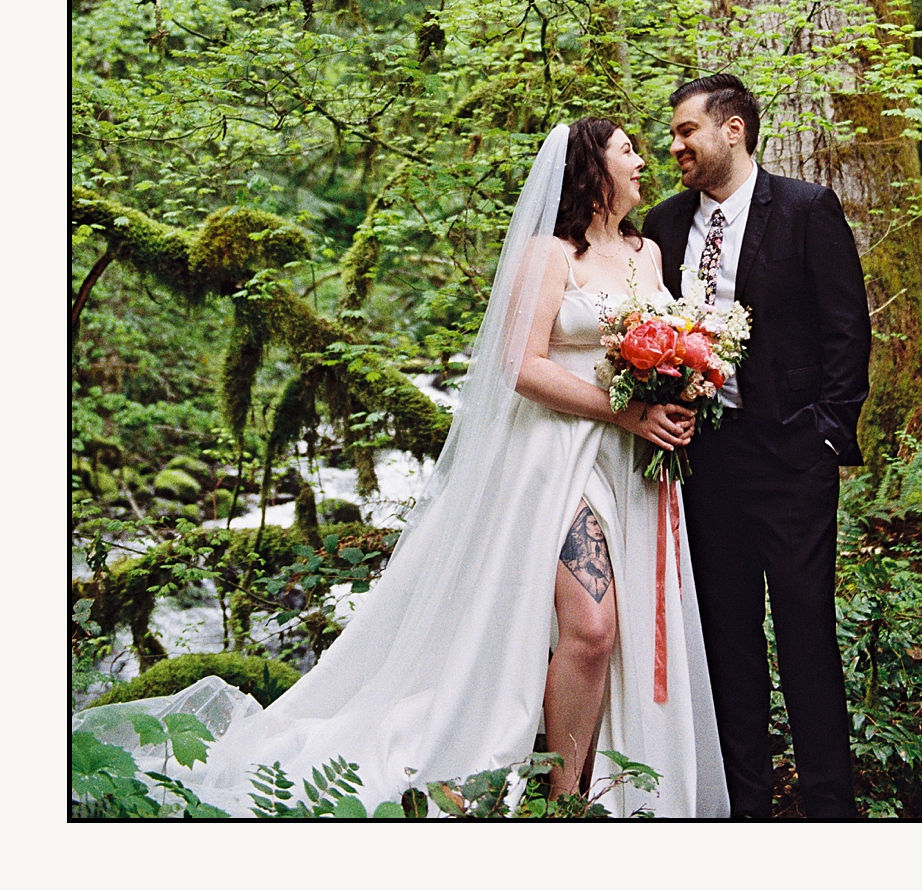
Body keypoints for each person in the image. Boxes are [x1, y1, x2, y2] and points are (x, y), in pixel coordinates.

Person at [181, 123, 728, 816]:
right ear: (593, 169)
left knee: (616, 636)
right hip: (556, 459)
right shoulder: (549, 254)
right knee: (591, 628)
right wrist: (621, 412)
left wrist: (679, 394)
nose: (643, 161)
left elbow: (670, 347)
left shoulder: (647, 253)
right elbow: (520, 366)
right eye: (628, 151)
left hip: (634, 465)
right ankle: (562, 800)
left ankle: (592, 788)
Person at [643, 73, 871, 821]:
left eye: (686, 131)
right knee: (726, 644)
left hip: (793, 461)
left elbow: (847, 331)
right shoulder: (664, 225)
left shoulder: (806, 210)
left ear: (732, 130)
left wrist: (825, 436)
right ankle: (747, 811)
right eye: (672, 134)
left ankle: (831, 812)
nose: (673, 145)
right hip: (704, 464)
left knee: (807, 636)